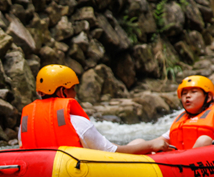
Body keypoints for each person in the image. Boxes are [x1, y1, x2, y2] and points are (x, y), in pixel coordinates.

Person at [18, 64, 170, 154]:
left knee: (138, 141)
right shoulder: (77, 123)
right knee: (140, 141)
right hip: (74, 176)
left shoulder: (25, 124)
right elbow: (113, 152)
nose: (75, 93)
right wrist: (150, 145)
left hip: (40, 175)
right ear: (62, 91)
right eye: (72, 88)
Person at [160, 75, 214, 149]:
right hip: (178, 160)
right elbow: (162, 140)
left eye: (193, 92)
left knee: (204, 140)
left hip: (205, 160)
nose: (187, 96)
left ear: (208, 98)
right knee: (155, 143)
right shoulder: (181, 121)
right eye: (184, 93)